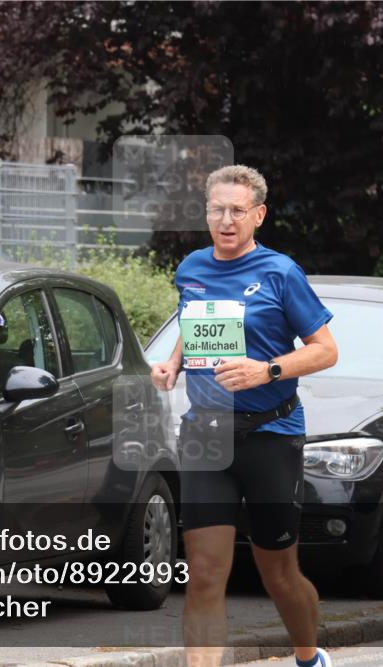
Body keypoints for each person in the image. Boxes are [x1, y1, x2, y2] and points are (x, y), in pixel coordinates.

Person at [150, 165, 338, 667]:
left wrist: (267, 369)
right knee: (206, 574)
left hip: (271, 434)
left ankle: (307, 654)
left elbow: (325, 351)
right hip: (207, 432)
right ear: (206, 213)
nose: (226, 219)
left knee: (279, 573)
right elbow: (198, 324)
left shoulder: (280, 273)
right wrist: (173, 362)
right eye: (217, 209)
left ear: (258, 214)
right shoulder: (192, 268)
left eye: (237, 210)